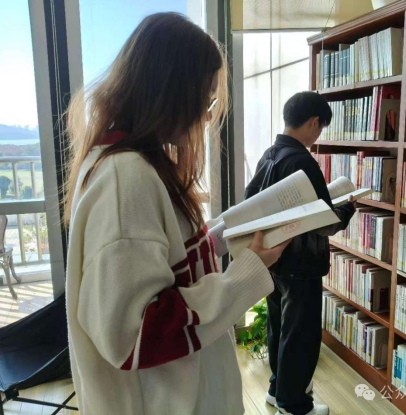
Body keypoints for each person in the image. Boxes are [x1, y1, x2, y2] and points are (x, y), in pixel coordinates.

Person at [63, 13, 289, 415]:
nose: (206, 114)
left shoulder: (124, 163)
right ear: (169, 92)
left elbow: (161, 261)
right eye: (204, 100)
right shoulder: (126, 178)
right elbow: (132, 332)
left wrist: (223, 234)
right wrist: (245, 274)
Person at [245, 92, 357, 415]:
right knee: (301, 336)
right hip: (302, 264)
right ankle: (293, 405)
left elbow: (250, 198)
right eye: (320, 127)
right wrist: (348, 208)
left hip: (275, 261)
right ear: (313, 122)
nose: (318, 135)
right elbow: (325, 221)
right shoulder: (303, 162)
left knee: (279, 328)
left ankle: (277, 390)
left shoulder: (269, 154)